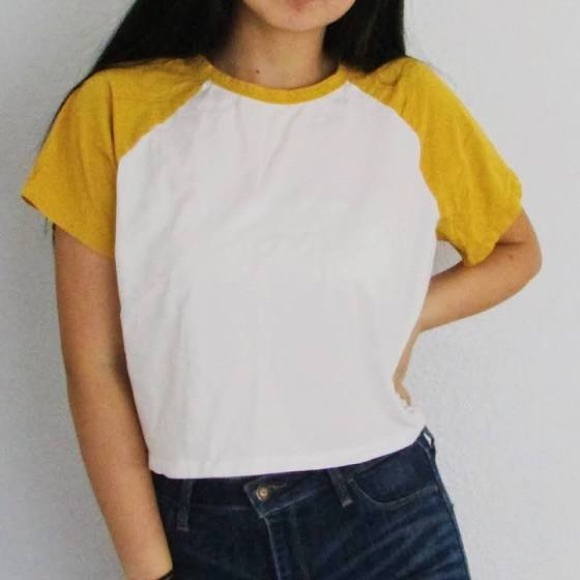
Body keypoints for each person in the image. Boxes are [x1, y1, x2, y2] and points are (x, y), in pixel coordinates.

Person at [20, 0, 542, 578]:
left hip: (388, 516)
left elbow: (515, 250)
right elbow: (96, 364)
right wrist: (151, 570)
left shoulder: (409, 101)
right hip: (204, 531)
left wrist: (406, 315)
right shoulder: (113, 110)